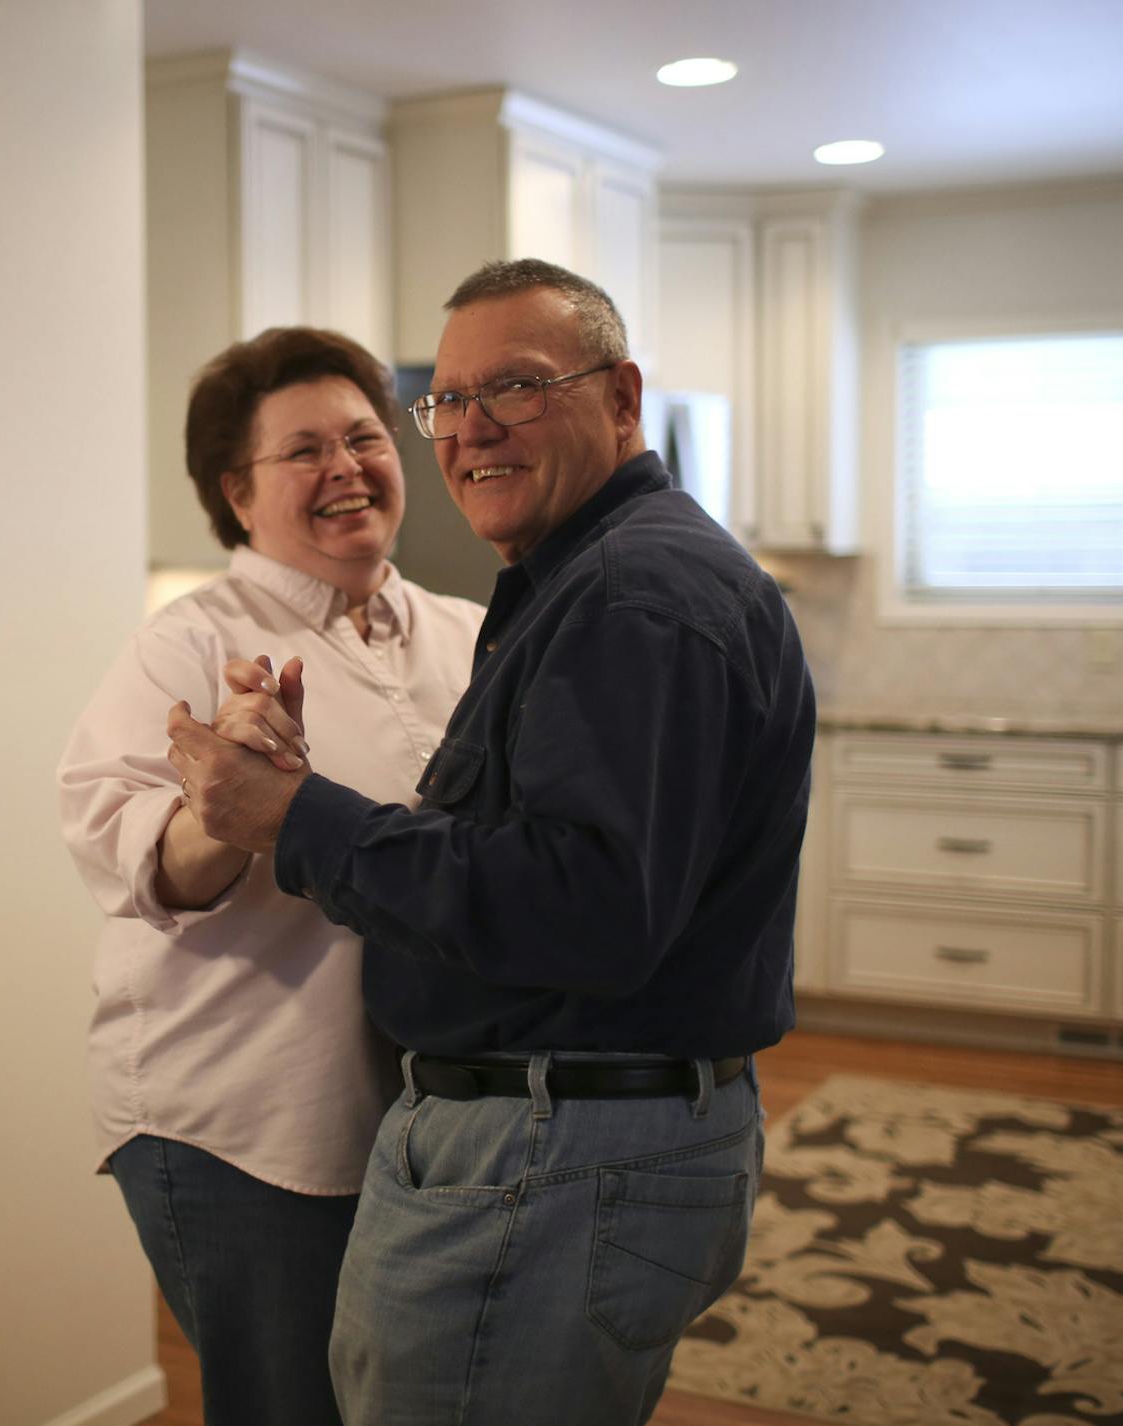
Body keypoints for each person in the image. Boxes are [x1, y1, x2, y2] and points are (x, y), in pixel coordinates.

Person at [166, 259, 816, 1425]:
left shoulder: (627, 594)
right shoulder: (579, 581)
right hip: (544, 1143)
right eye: (449, 402)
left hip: (558, 1159)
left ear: (620, 397)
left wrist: (296, 815)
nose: (469, 431)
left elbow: (584, 906)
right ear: (235, 492)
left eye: (514, 387)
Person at [57, 326, 483, 1425]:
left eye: (363, 437)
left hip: (414, 1117)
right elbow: (133, 854)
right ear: (237, 493)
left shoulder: (467, 632)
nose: (347, 466)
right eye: (305, 451)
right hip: (240, 1120)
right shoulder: (190, 643)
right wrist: (229, 806)